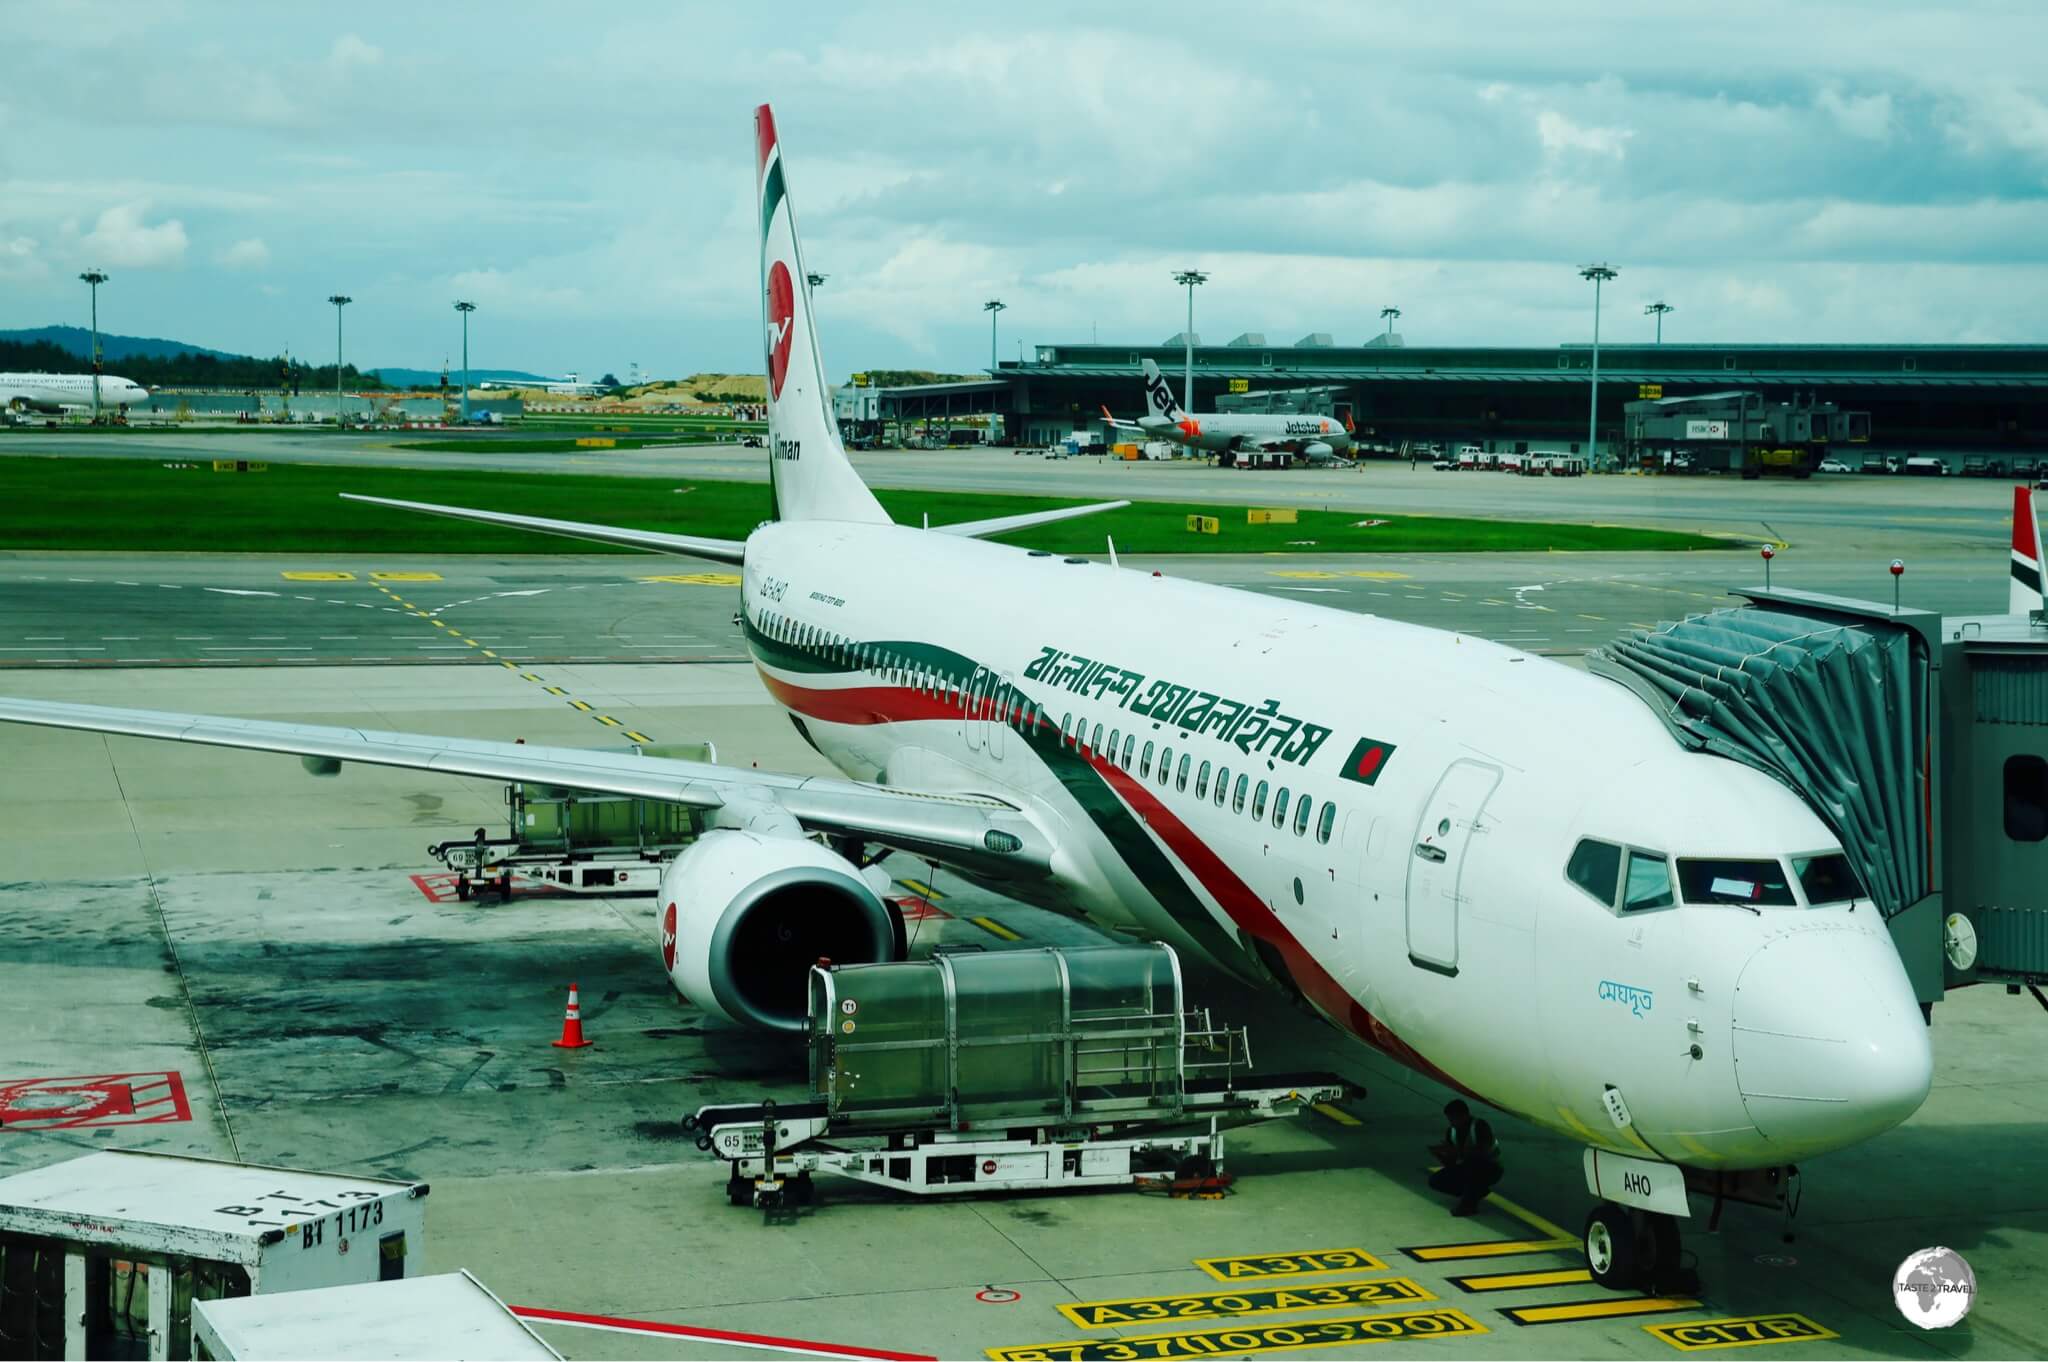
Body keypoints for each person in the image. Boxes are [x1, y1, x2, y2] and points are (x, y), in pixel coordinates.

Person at [1427, 1100, 1503, 1216]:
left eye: (1453, 1119)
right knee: (1435, 1181)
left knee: (1473, 1166)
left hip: (1490, 1168)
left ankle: (1469, 1205)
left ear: (1464, 1116)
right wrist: (1441, 1155)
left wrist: (1456, 1151)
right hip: (1469, 1166)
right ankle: (1476, 1192)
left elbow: (1482, 1153)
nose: (1451, 1123)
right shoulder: (1452, 1131)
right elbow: (1451, 1165)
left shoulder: (1479, 1126)